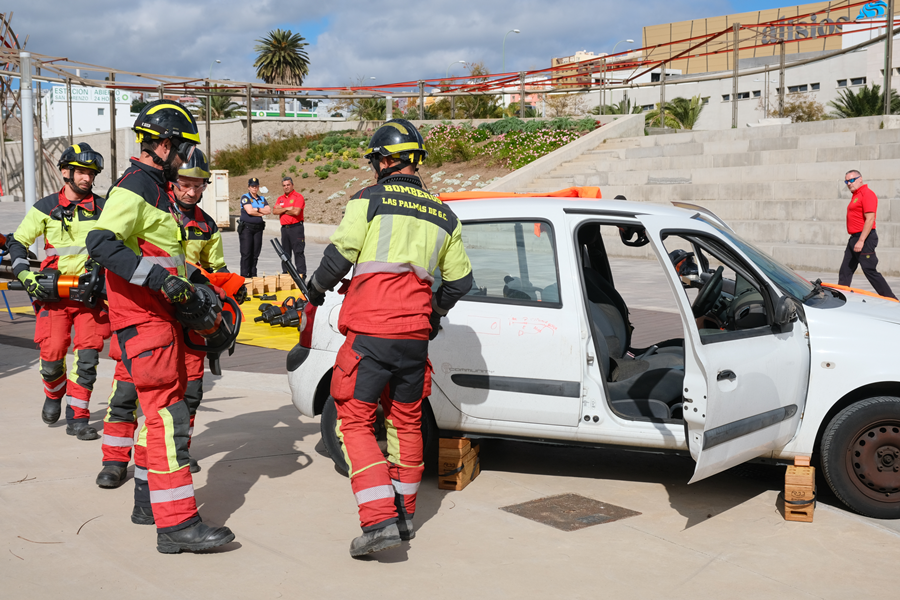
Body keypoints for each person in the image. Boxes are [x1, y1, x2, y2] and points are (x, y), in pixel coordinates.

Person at [305, 119, 473, 558]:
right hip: (415, 339)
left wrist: (315, 287)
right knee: (406, 421)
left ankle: (379, 520)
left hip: (371, 336)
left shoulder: (369, 200)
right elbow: (461, 283)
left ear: (384, 160)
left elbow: (340, 254)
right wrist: (432, 312)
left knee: (355, 422)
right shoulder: (444, 214)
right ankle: (405, 515)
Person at [86, 100, 235, 553]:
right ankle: (176, 525)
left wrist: (195, 287)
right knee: (166, 416)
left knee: (158, 419)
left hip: (158, 318)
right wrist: (161, 280)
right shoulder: (136, 186)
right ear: (165, 145)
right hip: (144, 320)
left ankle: (147, 503)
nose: (184, 159)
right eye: (182, 149)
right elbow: (100, 243)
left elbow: (163, 256)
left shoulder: (157, 188)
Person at [6, 144, 111, 440]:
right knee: (51, 360)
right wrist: (25, 273)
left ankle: (78, 416)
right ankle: (53, 394)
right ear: (66, 172)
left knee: (87, 360)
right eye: (81, 172)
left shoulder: (104, 209)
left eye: (91, 174)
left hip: (91, 297)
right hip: (54, 296)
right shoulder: (46, 207)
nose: (87, 179)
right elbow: (18, 242)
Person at [838, 170, 896, 299]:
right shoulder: (856, 195)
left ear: (860, 179)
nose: (849, 183)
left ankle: (892, 299)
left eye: (851, 180)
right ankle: (840, 297)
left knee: (869, 270)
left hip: (865, 238)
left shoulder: (867, 194)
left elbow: (870, 220)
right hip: (854, 238)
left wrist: (861, 240)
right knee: (845, 270)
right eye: (846, 181)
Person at [273, 176, 306, 277]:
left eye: (288, 185)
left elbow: (296, 212)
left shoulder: (298, 197)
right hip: (285, 229)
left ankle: (301, 275)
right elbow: (274, 211)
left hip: (296, 228)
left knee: (298, 252)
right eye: (284, 185)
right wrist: (287, 208)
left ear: (292, 185)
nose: (286, 187)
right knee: (285, 253)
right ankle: (286, 274)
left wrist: (281, 209)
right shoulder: (280, 198)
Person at [238, 177, 270, 277]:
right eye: (252, 186)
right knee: (246, 253)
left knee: (255, 254)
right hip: (247, 229)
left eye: (256, 186)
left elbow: (268, 211)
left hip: (258, 229)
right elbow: (249, 211)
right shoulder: (245, 197)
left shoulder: (262, 199)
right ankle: (244, 276)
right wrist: (260, 211)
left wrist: (257, 210)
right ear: (249, 187)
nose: (254, 188)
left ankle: (253, 274)